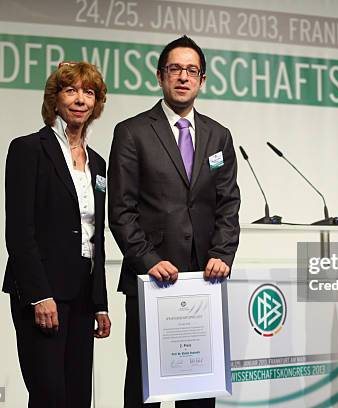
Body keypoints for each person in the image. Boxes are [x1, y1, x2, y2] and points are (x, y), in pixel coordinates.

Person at [108, 35, 240, 408]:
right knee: (144, 385)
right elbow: (121, 210)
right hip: (150, 280)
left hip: (203, 278)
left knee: (198, 388)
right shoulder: (132, 132)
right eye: (175, 69)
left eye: (191, 70)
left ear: (202, 79)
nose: (183, 77)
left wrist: (222, 253)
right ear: (160, 76)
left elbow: (229, 204)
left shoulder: (219, 135)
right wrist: (148, 260)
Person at [3, 62, 111, 407]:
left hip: (82, 294)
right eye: (71, 90)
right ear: (55, 99)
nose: (80, 99)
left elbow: (96, 236)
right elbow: (19, 232)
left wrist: (100, 302)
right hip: (43, 293)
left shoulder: (99, 163)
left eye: (89, 92)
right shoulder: (28, 149)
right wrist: (38, 295)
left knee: (79, 397)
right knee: (50, 396)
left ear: (96, 103)